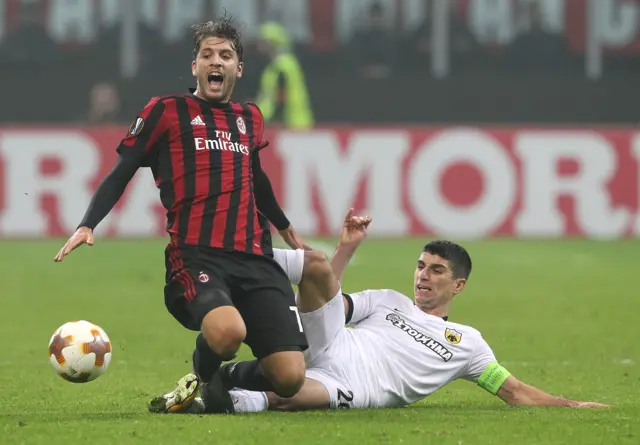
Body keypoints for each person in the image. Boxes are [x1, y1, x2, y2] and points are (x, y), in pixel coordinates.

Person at [53, 16, 310, 409]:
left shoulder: (250, 118)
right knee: (228, 332)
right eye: (207, 55)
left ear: (238, 68)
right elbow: (122, 170)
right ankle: (204, 375)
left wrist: (286, 227)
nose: (215, 62)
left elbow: (256, 178)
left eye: (225, 55)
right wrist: (88, 223)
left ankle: (222, 377)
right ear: (195, 66)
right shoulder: (167, 110)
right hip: (197, 254)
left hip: (256, 258)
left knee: (290, 378)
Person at [150, 209, 609, 413]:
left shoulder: (468, 344)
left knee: (289, 399)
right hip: (330, 341)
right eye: (420, 265)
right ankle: (227, 260)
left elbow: (515, 393)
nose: (423, 276)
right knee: (316, 269)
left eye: (436, 270)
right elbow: (328, 299)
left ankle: (216, 392)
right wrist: (345, 250)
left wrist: (572, 405)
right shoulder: (390, 300)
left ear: (458, 284)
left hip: (356, 384)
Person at [255, 21, 314, 129]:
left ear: (273, 43)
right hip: (296, 124)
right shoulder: (284, 65)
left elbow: (279, 98)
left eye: (263, 42)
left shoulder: (281, 67)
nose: (259, 46)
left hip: (290, 126)